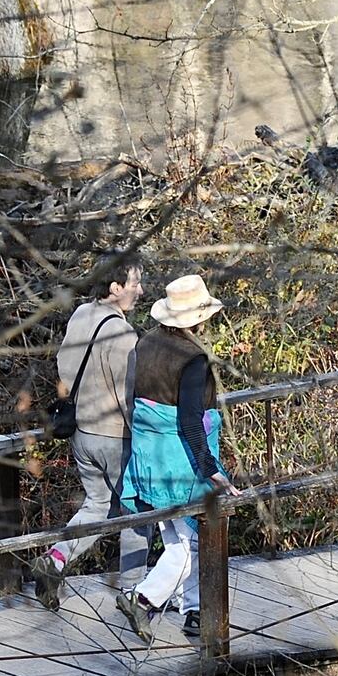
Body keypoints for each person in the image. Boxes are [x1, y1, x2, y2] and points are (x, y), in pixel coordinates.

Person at [115, 274, 240, 641]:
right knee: (188, 549)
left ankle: (194, 611)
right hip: (179, 465)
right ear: (198, 317)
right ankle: (143, 600)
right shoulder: (193, 359)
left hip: (149, 459)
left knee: (179, 540)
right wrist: (212, 471)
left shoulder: (147, 342)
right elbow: (188, 421)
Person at [30, 265, 148, 609]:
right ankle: (134, 593)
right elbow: (129, 396)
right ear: (115, 287)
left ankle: (55, 559)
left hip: (81, 432)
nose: (139, 291)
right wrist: (143, 437)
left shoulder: (81, 315)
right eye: (135, 284)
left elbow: (64, 367)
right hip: (114, 437)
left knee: (97, 505)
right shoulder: (123, 335)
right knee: (137, 511)